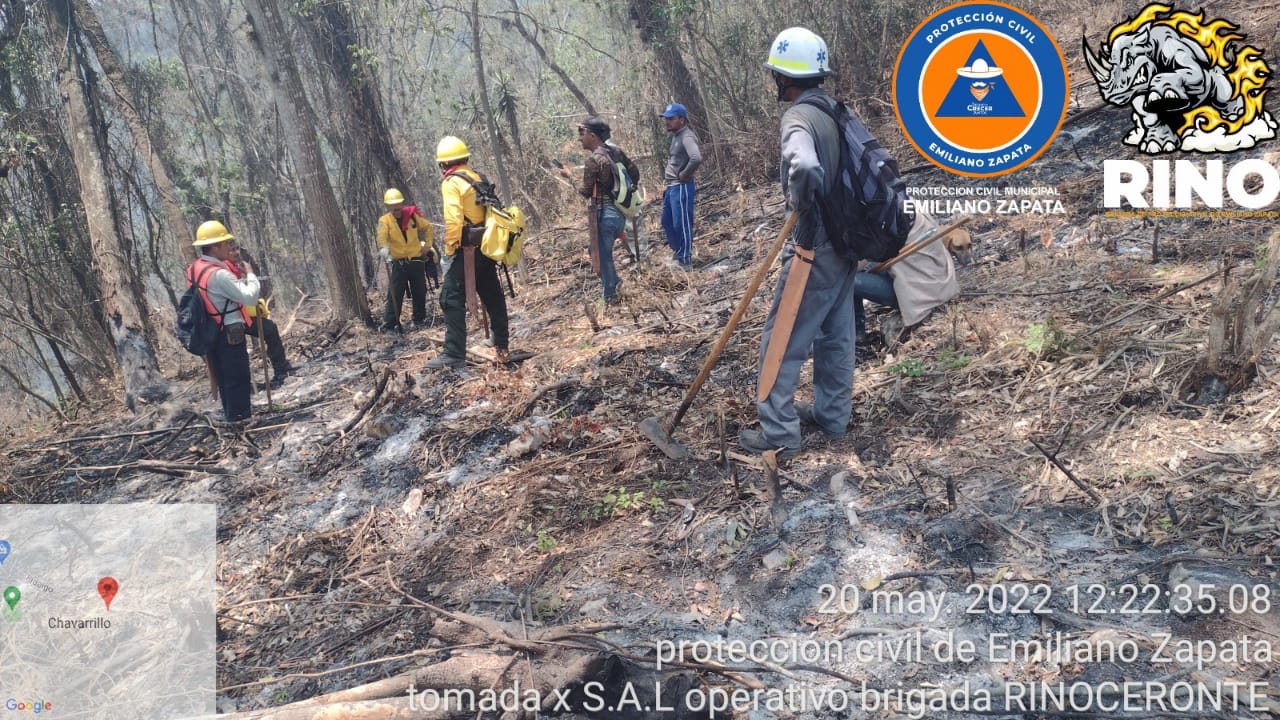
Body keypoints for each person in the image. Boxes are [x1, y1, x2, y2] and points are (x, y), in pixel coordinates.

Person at [740, 27, 855, 458]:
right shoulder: (835, 110)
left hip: (814, 245)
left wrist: (800, 201)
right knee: (836, 335)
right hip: (846, 241)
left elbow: (804, 165)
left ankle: (779, 436)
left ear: (783, 78)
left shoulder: (798, 118)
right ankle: (832, 415)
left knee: (781, 340)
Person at [426, 136, 509, 369]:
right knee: (492, 294)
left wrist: (450, 250)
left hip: (466, 248)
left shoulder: (452, 182)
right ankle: (501, 343)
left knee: (450, 298)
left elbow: (453, 220)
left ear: (443, 163)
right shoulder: (476, 177)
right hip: (486, 246)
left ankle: (453, 353)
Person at [188, 220, 261, 422]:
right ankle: (240, 420)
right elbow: (250, 298)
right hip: (229, 330)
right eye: (225, 243)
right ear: (215, 246)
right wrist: (251, 276)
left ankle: (232, 416)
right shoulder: (219, 274)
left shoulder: (195, 268)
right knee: (237, 377)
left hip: (210, 330)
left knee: (223, 377)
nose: (229, 247)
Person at [561, 116, 639, 304]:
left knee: (602, 255)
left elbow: (585, 192)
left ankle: (611, 295)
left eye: (582, 133)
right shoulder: (616, 152)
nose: (580, 138)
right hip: (620, 213)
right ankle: (614, 288)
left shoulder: (593, 160)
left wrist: (569, 177)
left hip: (605, 215)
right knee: (600, 252)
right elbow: (635, 174)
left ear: (592, 135)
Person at [853, 211, 959, 350]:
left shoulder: (886, 221)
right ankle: (855, 332)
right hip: (942, 286)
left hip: (921, 295)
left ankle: (856, 333)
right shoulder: (909, 209)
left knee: (847, 280)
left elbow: (853, 266)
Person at [227, 239, 297, 388]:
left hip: (241, 313)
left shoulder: (235, 267)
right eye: (231, 250)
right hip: (230, 319)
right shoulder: (224, 271)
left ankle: (281, 367)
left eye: (236, 249)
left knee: (269, 328)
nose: (235, 252)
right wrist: (250, 275)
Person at [377, 188, 436, 332]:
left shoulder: (412, 216)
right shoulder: (384, 221)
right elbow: (382, 236)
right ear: (387, 206)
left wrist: (427, 246)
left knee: (419, 291)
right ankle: (390, 324)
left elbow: (428, 228)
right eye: (392, 205)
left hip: (416, 260)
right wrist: (384, 248)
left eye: (398, 204)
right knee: (395, 293)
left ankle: (419, 319)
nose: (396, 208)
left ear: (402, 203)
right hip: (399, 263)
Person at [659, 103, 701, 268]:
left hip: (681, 186)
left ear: (682, 120)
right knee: (666, 221)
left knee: (681, 222)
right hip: (672, 187)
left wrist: (685, 174)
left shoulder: (687, 137)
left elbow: (696, 158)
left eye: (671, 119)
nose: (667, 122)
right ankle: (678, 253)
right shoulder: (676, 136)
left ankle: (685, 259)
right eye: (666, 119)